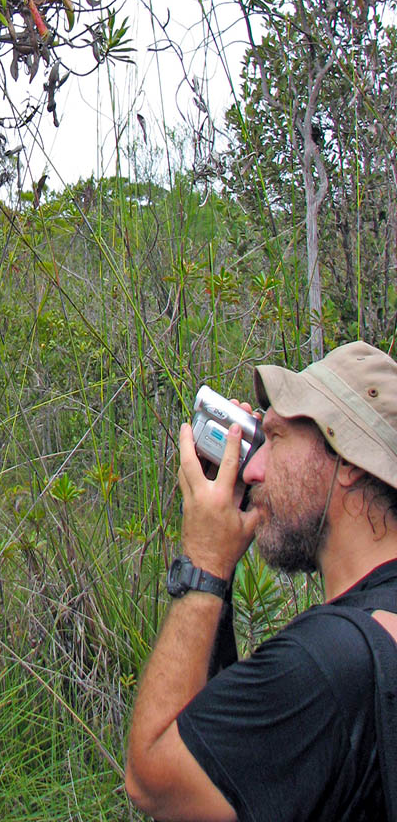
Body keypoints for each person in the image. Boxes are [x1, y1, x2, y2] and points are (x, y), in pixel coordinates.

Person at [124, 340, 397, 821]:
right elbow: (233, 763)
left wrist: (204, 564)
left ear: (349, 461)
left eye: (275, 438)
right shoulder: (376, 630)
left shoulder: (330, 665)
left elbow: (154, 782)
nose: (251, 468)